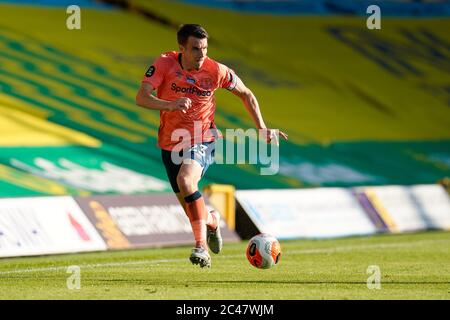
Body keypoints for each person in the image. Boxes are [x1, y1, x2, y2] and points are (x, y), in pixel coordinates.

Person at [136, 24, 288, 268]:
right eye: (195, 49)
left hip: (202, 138)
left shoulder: (215, 70)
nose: (201, 54)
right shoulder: (164, 64)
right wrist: (170, 104)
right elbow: (141, 97)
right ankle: (213, 221)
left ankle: (201, 248)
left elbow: (246, 94)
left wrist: (261, 127)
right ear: (181, 49)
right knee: (194, 213)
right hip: (169, 143)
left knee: (187, 181)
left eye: (205, 48)